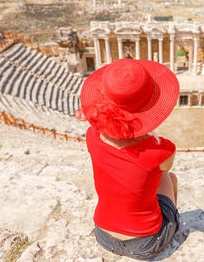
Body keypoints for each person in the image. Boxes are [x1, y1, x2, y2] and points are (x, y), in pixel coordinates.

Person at [75, 58, 180, 260]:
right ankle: (174, 225)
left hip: (103, 234)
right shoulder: (160, 150)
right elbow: (163, 169)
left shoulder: (92, 136)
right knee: (169, 177)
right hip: (146, 243)